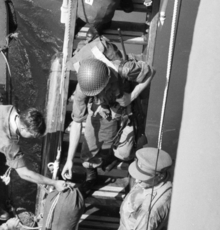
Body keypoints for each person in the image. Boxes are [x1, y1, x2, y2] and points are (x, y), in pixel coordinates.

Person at [61, 56, 153, 187]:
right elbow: (76, 123)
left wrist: (131, 96)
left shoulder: (123, 69)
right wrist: (69, 160)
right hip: (100, 108)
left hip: (124, 105)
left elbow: (150, 72)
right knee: (90, 142)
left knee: (125, 152)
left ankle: (115, 156)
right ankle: (91, 171)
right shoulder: (83, 88)